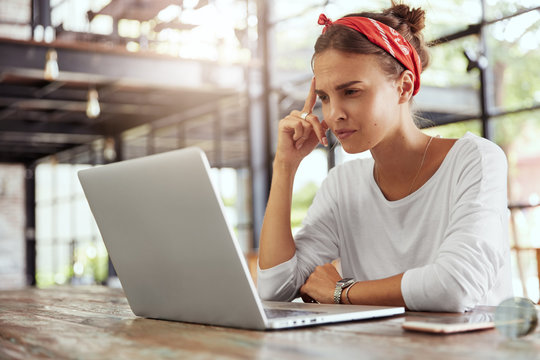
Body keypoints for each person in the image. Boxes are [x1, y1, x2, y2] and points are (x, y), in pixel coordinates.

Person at [256, 2, 512, 312]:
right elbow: (275, 288)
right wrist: (285, 165)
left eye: (351, 91)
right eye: (324, 97)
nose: (334, 114)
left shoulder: (475, 160)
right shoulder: (343, 185)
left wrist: (341, 292)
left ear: (403, 88)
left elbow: (455, 286)